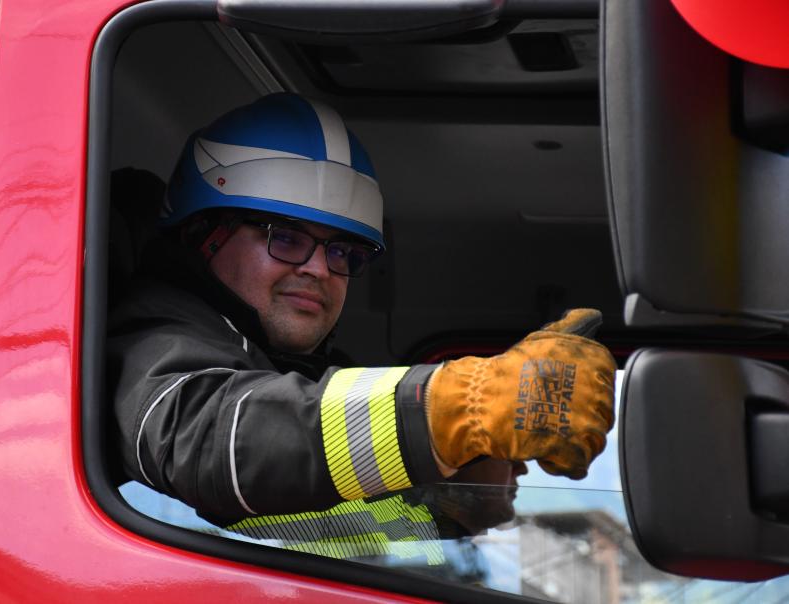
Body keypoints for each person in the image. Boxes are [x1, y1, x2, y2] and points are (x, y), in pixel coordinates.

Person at [108, 93, 617, 555]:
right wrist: (464, 406)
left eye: (342, 252)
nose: (317, 268)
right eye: (285, 237)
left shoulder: (294, 369)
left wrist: (455, 504)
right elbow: (212, 437)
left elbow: (336, 529)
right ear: (204, 233)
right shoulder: (151, 337)